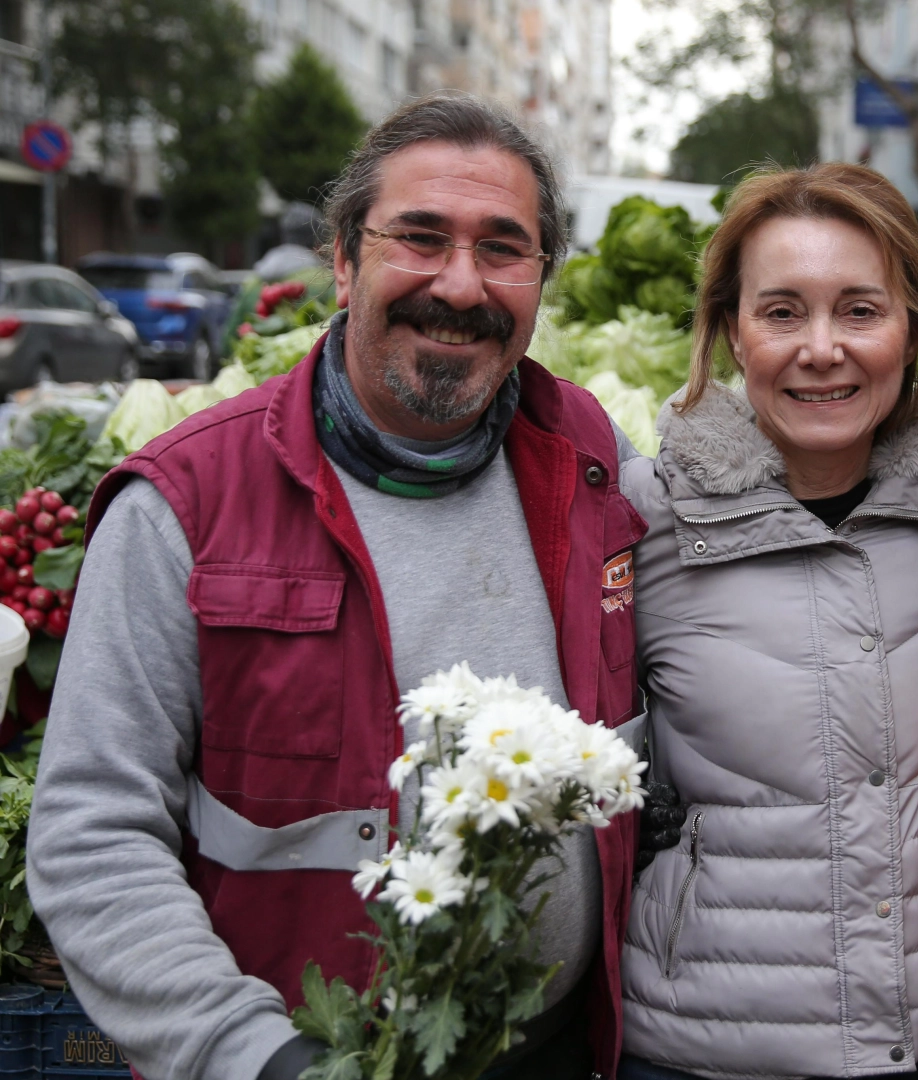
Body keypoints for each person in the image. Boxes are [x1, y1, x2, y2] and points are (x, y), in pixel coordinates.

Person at [26, 93, 645, 1080]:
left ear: (539, 280)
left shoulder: (601, 471)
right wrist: (252, 1058)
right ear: (345, 258)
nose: (459, 283)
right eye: (421, 237)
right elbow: (93, 834)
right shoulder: (185, 505)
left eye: (502, 248)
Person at [615, 163, 918, 1080]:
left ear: (912, 331)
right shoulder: (642, 522)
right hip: (696, 1046)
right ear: (728, 330)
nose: (821, 349)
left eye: (860, 310)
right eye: (782, 312)